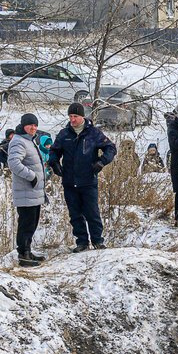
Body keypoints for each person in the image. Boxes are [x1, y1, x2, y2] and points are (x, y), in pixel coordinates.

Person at [48, 102, 117, 252]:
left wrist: (102, 161)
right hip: (69, 181)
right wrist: (54, 164)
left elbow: (111, 148)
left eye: (75, 116)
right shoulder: (64, 134)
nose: (72, 119)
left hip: (88, 180)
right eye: (70, 116)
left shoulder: (93, 133)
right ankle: (82, 242)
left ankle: (97, 241)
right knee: (75, 214)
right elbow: (53, 151)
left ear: (82, 117)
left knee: (92, 212)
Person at [8, 112, 47, 267]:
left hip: (33, 192)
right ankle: (23, 255)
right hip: (26, 191)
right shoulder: (19, 141)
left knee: (32, 223)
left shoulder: (29, 141)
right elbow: (14, 164)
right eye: (31, 125)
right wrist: (32, 176)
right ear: (23, 126)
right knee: (26, 224)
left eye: (35, 125)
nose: (33, 128)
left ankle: (27, 252)